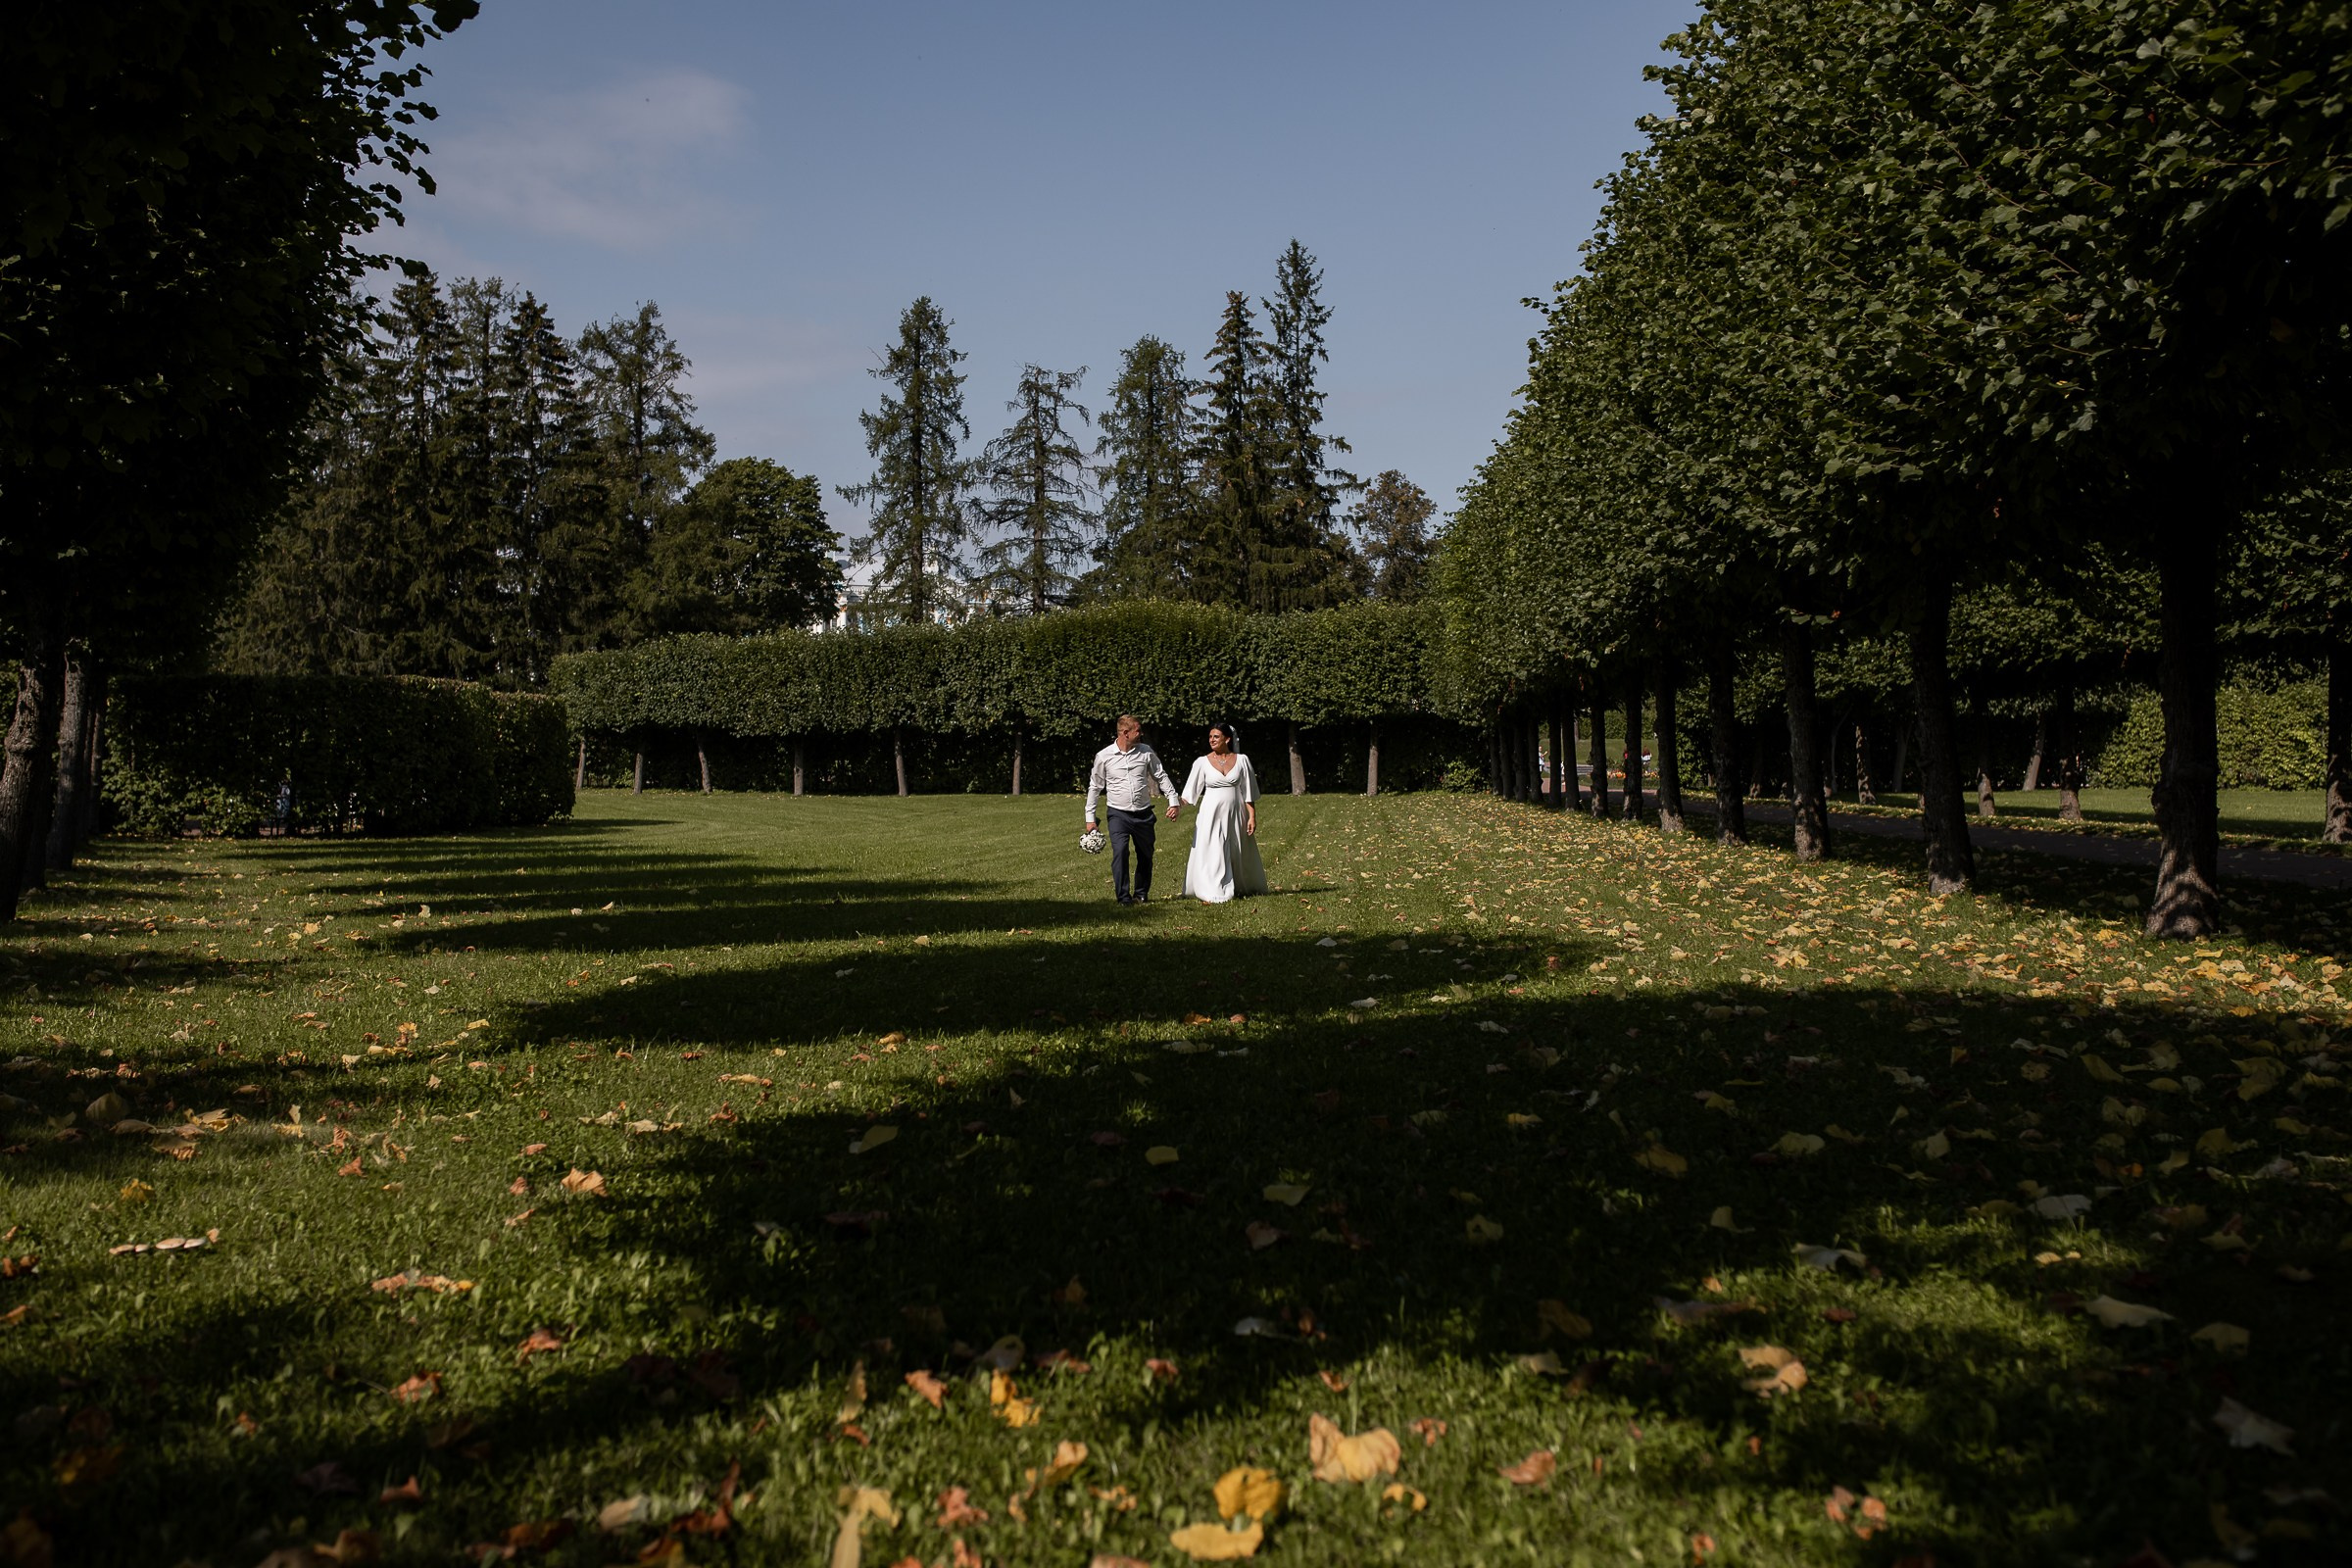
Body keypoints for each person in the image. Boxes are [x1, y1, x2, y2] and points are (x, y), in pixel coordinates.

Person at [1084, 714, 1180, 905]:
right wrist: (1090, 818)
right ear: (1126, 733)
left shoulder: (1146, 752)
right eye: (1138, 730)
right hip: (1118, 814)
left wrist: (1173, 800)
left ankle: (1141, 893)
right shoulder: (1104, 756)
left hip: (1143, 813)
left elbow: (1160, 775)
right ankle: (1123, 897)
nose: (1141, 733)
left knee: (1145, 854)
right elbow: (1095, 787)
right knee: (1120, 852)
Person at [1179, 721, 1267, 904]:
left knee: (1237, 848)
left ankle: (1240, 884)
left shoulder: (1242, 760)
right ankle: (1214, 889)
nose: (1212, 740)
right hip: (1211, 813)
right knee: (1214, 847)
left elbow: (1248, 791)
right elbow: (1189, 792)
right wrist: (1176, 807)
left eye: (1216, 737)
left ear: (1227, 739)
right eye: (1210, 737)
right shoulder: (1202, 762)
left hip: (1236, 812)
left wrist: (1252, 816)